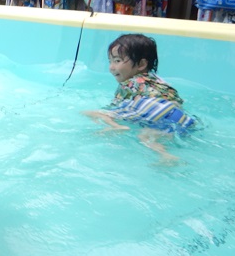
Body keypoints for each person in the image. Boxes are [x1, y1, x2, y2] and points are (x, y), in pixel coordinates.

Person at [84, 33, 198, 162]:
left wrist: (109, 115)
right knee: (149, 135)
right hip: (179, 116)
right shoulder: (157, 81)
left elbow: (115, 107)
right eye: (110, 61)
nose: (111, 67)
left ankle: (116, 126)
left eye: (117, 61)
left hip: (150, 106)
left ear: (141, 64)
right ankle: (166, 155)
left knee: (93, 113)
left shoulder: (129, 83)